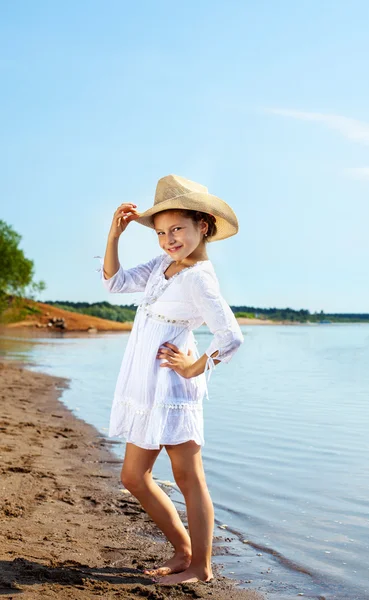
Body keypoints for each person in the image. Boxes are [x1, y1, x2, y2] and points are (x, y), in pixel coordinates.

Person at [95, 174, 244, 586]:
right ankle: (184, 550)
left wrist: (194, 367)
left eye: (177, 229)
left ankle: (200, 567)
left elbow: (230, 336)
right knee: (133, 478)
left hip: (173, 388)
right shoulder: (165, 264)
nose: (168, 239)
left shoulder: (200, 277)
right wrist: (115, 234)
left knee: (188, 478)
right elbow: (114, 282)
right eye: (161, 232)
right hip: (146, 386)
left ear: (204, 226)